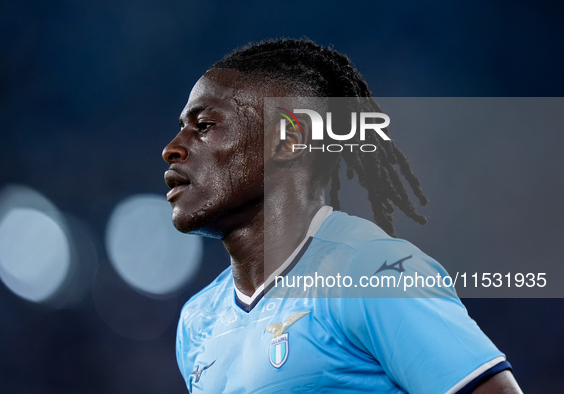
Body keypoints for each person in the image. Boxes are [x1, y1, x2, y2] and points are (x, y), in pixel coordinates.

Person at [163, 39, 523, 393]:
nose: (172, 148)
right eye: (181, 127)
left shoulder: (373, 271)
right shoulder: (198, 320)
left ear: (287, 142)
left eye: (205, 125)